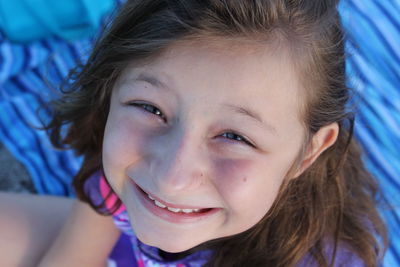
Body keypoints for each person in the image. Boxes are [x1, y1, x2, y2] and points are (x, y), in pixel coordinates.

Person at [0, 0, 387, 266]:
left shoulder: (322, 259)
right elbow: (73, 258)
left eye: (236, 137)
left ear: (308, 153)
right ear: (110, 90)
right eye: (151, 109)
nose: (172, 175)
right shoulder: (127, 167)